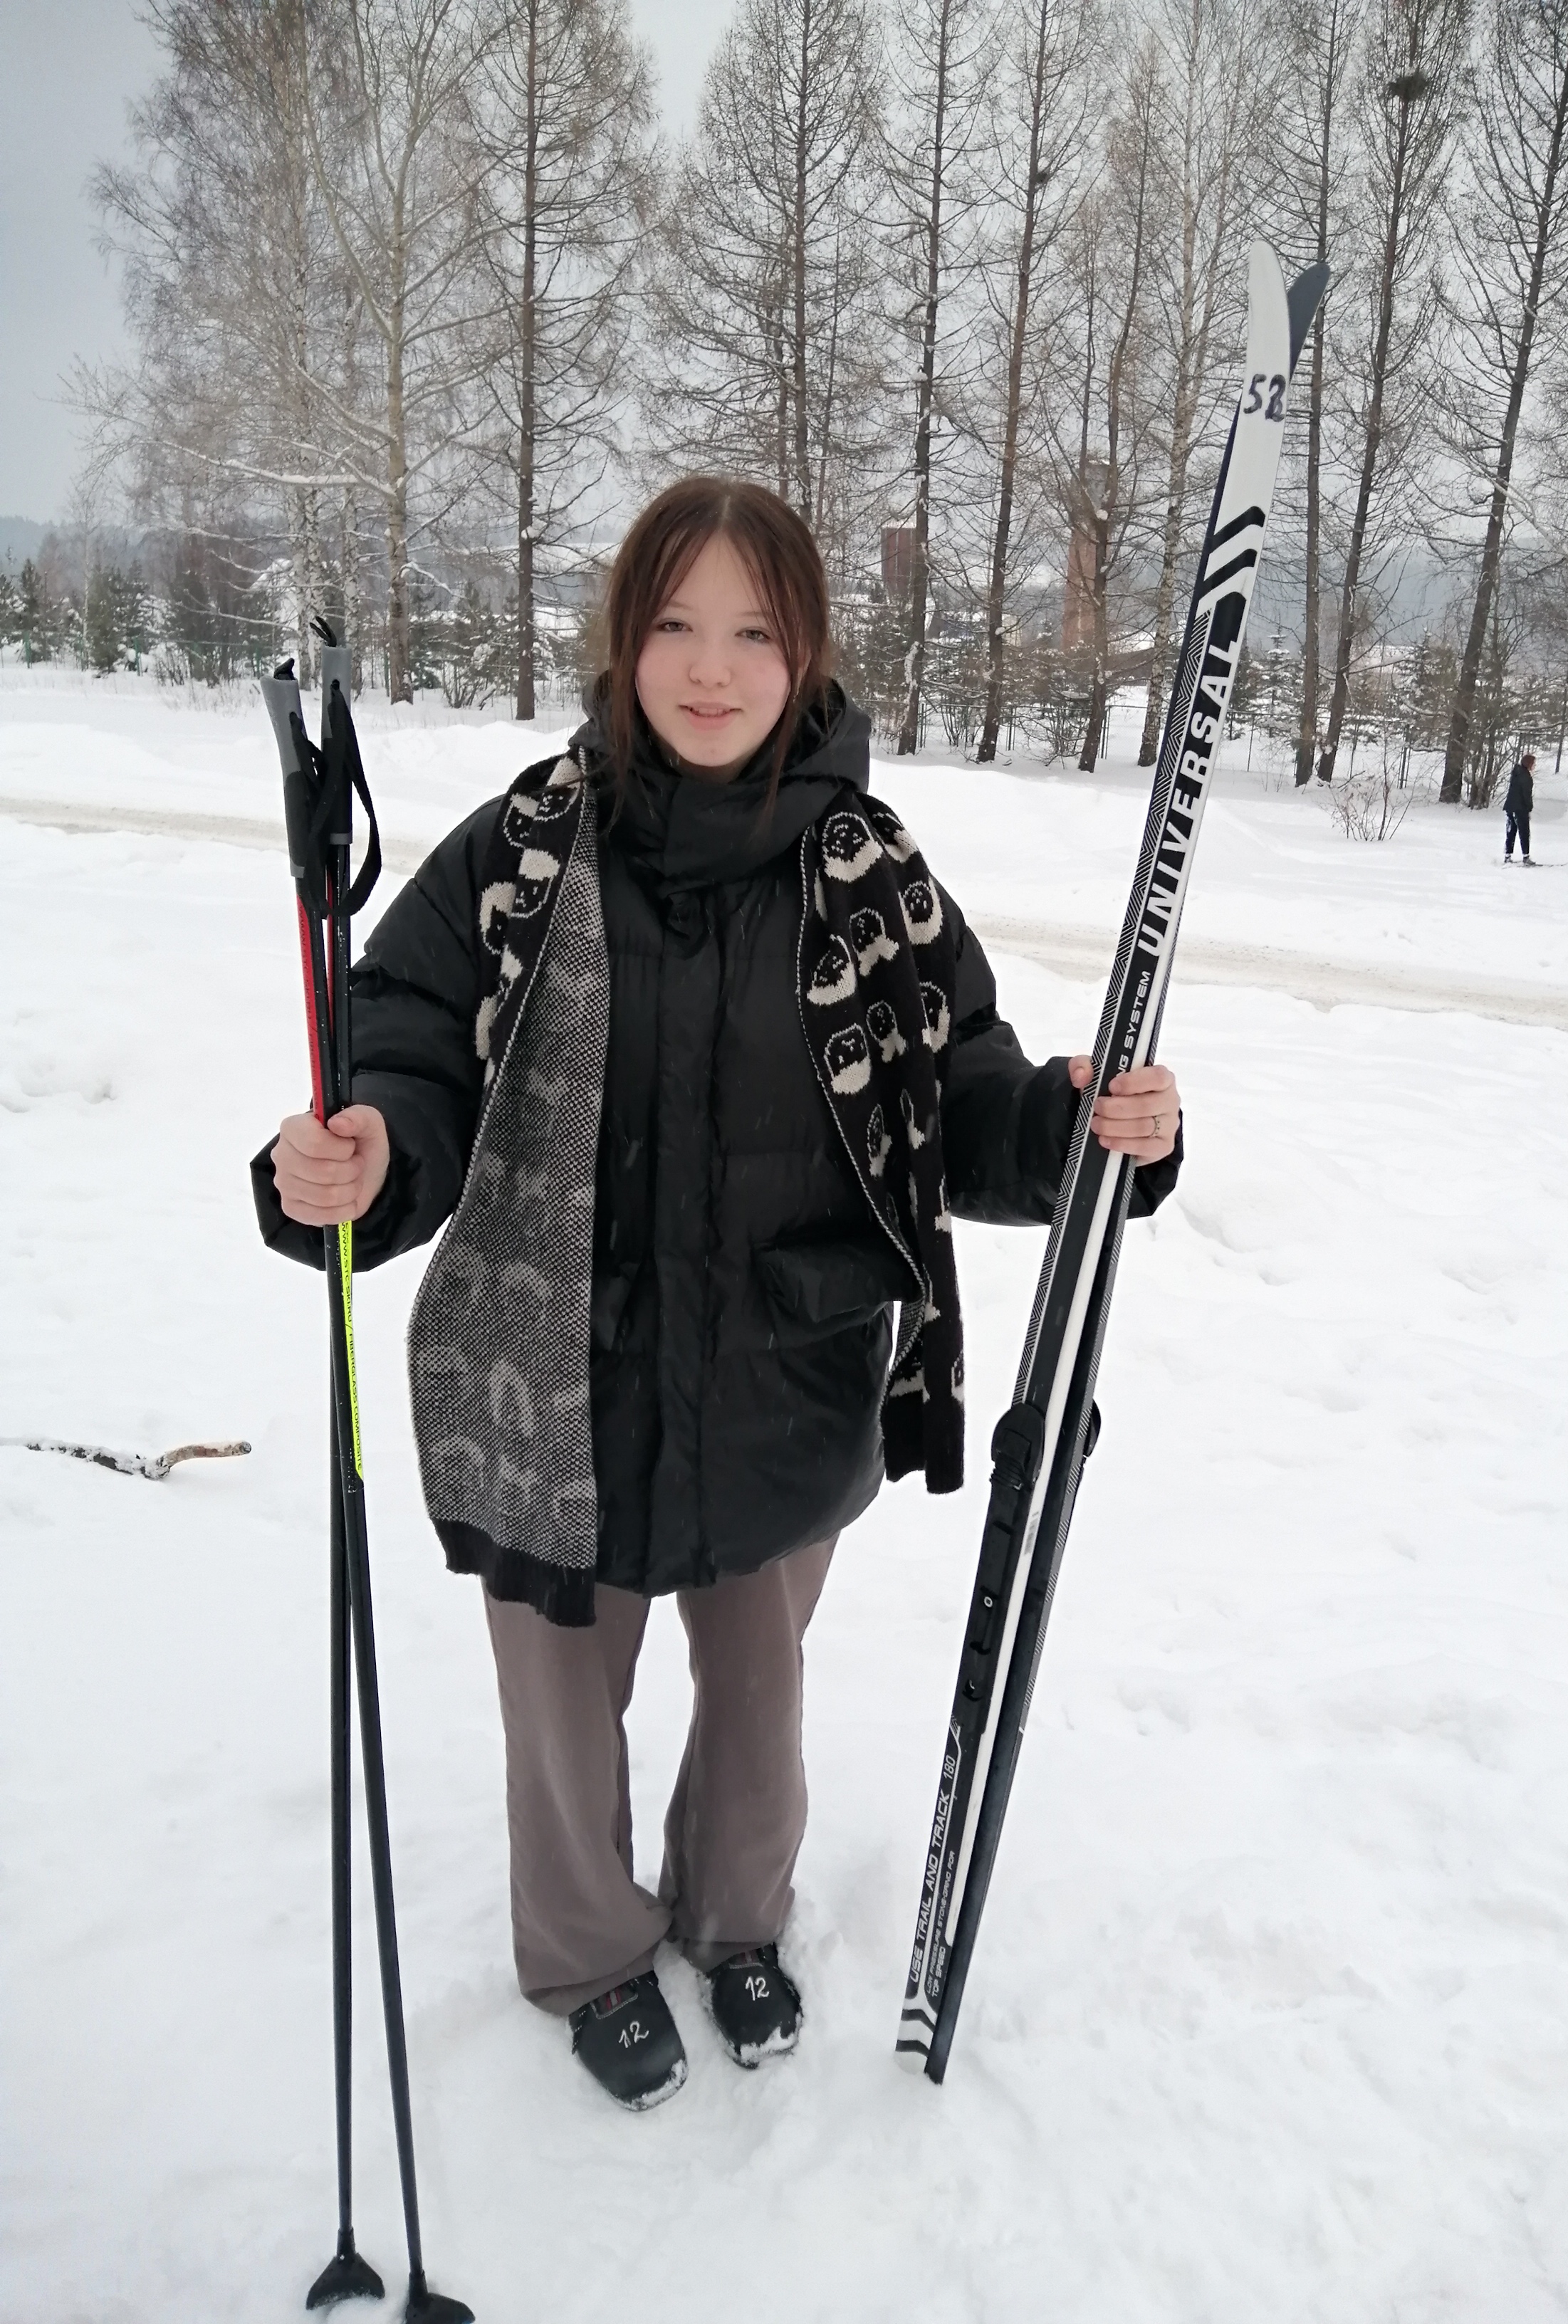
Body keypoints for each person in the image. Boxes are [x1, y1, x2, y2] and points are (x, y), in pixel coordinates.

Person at [252, 476, 1183, 2113]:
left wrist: (1068, 1128)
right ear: (624, 638)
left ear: (804, 651)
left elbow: (954, 1088)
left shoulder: (865, 871)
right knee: (563, 1707)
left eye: (754, 631)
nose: (710, 665)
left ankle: (735, 1918)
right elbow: (405, 1042)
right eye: (675, 623)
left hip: (782, 1379)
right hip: (549, 1374)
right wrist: (371, 1152)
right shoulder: (524, 847)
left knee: (759, 1694)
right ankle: (589, 1951)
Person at [1504, 749, 1535, 862]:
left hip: (1510, 806)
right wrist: (1529, 807)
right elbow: (1526, 794)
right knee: (1524, 832)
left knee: (1511, 831)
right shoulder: (1525, 776)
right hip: (1520, 808)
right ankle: (1526, 856)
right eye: (1533, 764)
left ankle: (1507, 855)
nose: (1534, 766)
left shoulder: (1517, 773)